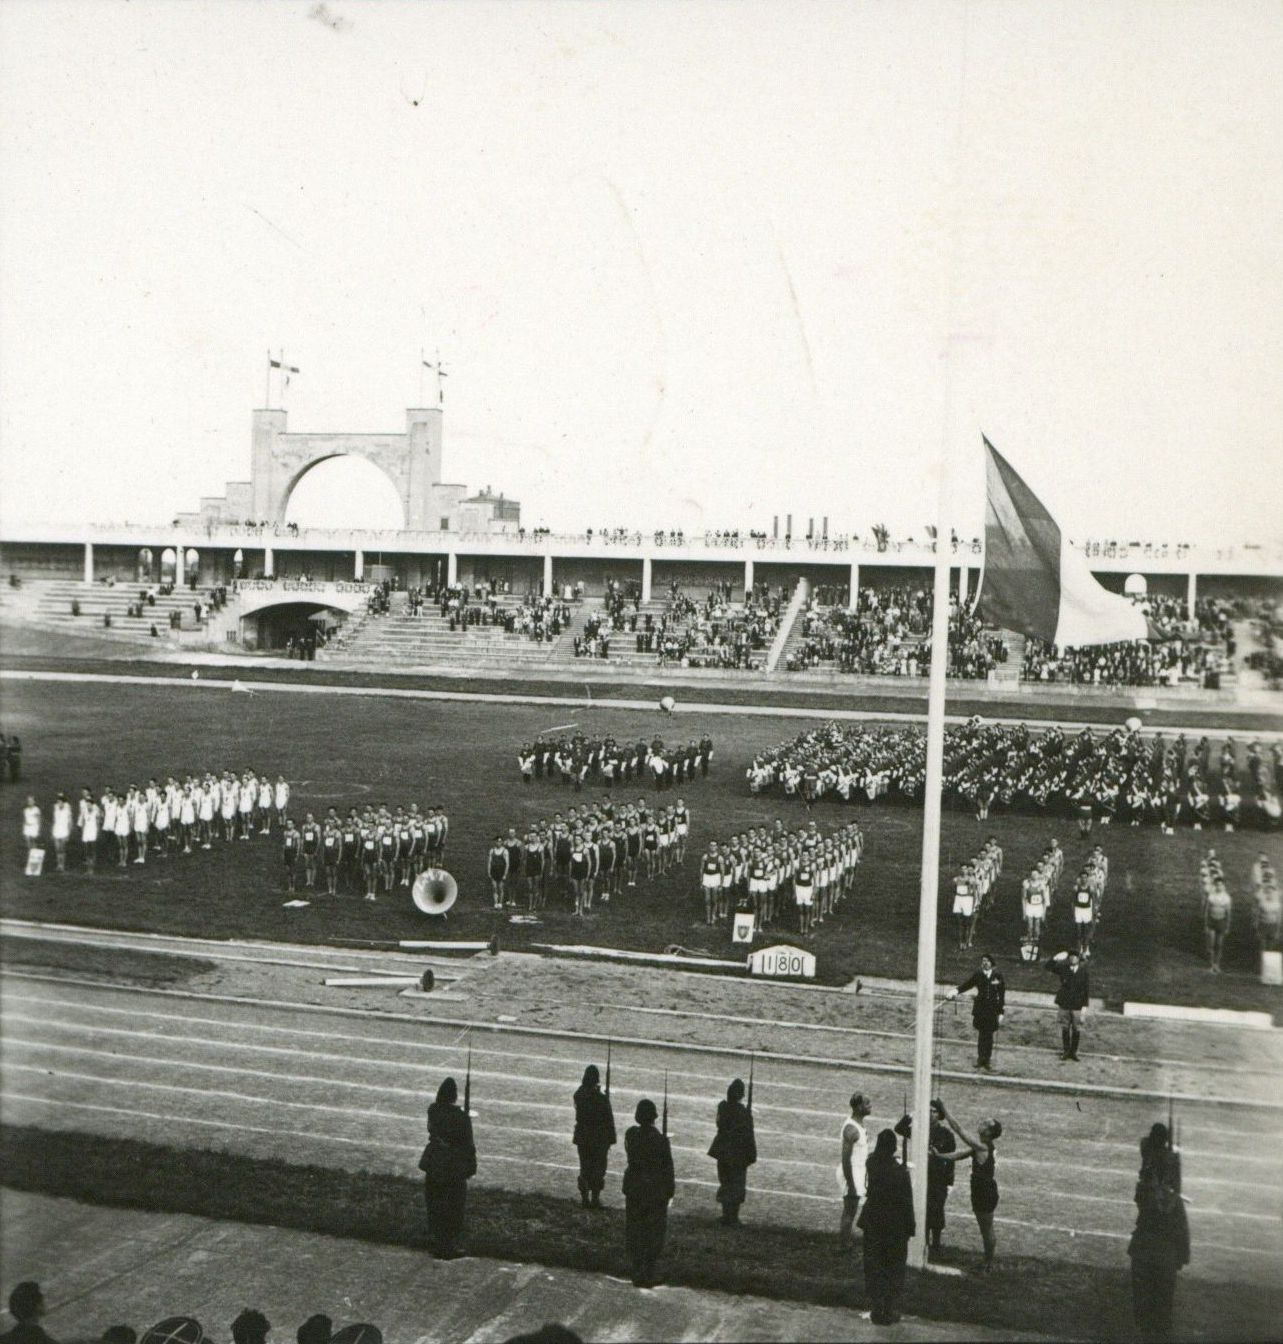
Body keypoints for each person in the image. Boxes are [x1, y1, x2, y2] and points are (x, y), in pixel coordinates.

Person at [1128, 1122, 1190, 1342]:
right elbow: (1181, 1228)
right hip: (1165, 1256)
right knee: (1162, 1309)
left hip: (1145, 1252)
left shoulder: (1146, 1189)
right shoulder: (1172, 1201)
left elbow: (1146, 1151)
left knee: (1144, 1308)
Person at [931, 1102, 1002, 1271]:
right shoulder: (979, 1147)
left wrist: (945, 1109)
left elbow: (958, 1129)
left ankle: (988, 1263)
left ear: (989, 1132)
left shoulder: (982, 1146)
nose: (981, 1123)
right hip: (981, 1191)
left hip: (984, 1192)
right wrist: (939, 1155)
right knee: (985, 1227)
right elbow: (958, 1155)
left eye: (985, 1123)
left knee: (986, 1229)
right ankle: (987, 1261)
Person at [857, 1129, 915, 1325]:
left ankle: (876, 1308)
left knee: (874, 1265)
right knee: (893, 1267)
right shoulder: (900, 1173)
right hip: (895, 1225)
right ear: (893, 1148)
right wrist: (910, 1227)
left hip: (873, 1221)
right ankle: (888, 1309)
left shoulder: (872, 1163)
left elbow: (876, 1157)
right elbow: (907, 1202)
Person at [419, 1076, 477, 1258]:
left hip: (435, 1160)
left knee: (435, 1202)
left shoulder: (433, 1110)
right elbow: (468, 1144)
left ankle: (437, 1239)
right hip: (452, 1164)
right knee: (453, 1205)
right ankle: (448, 1244)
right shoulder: (461, 1117)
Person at [621, 1097, 675, 1288]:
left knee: (635, 1229)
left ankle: (637, 1269)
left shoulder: (632, 1135)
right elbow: (667, 1169)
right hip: (652, 1191)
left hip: (635, 1188)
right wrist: (669, 1192)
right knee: (653, 1232)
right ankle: (648, 1272)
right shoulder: (660, 1142)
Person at [707, 1077, 757, 1226]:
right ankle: (733, 1217)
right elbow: (749, 1135)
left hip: (723, 1151)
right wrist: (751, 1154)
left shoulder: (723, 1107)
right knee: (736, 1184)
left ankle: (726, 1215)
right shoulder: (744, 1113)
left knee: (725, 1181)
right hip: (738, 1153)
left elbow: (719, 1123)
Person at [947, 954, 1006, 1071]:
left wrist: (1001, 1012)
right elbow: (967, 985)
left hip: (992, 1009)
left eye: (987, 961)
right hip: (981, 1008)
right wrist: (955, 991)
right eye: (983, 961)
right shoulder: (978, 975)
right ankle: (980, 1059)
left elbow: (1002, 994)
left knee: (989, 1035)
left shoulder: (998, 976)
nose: (985, 963)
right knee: (982, 1034)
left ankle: (987, 1060)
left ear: (992, 964)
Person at [572, 1063, 616, 1209]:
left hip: (583, 1137)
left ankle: (585, 1199)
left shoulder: (579, 1095)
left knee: (585, 1168)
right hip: (598, 1139)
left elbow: (580, 1096)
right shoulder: (602, 1099)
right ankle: (595, 1199)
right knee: (598, 1170)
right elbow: (608, 1119)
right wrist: (611, 1139)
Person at [837, 1091, 873, 1249]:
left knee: (852, 1209)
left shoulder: (859, 1124)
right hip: (851, 1172)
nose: (870, 1106)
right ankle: (843, 1244)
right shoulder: (851, 1129)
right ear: (859, 1107)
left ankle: (846, 1240)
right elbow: (846, 1158)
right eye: (867, 1104)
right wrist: (850, 1182)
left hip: (859, 1171)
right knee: (849, 1210)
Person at [1045, 950, 1091, 1061]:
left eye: (1075, 957)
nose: (1072, 959)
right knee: (1065, 1028)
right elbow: (1048, 967)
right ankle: (1066, 1051)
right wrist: (1055, 957)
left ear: (1078, 959)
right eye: (1070, 957)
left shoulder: (1084, 972)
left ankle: (1073, 1052)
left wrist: (1085, 1007)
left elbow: (1086, 990)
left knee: (1076, 1029)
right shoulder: (1063, 969)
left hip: (1077, 1005)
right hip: (1065, 1003)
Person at [1203, 879, 1232, 973]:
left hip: (1221, 921)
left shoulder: (1227, 898)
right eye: (1217, 885)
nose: (1219, 887)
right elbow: (1207, 911)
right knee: (1211, 944)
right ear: (1215, 886)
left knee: (1219, 944)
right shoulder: (1211, 896)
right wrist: (1206, 924)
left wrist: (1227, 926)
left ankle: (1217, 964)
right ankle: (1211, 965)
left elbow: (1228, 913)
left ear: (1223, 886)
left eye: (1220, 885)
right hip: (1212, 921)